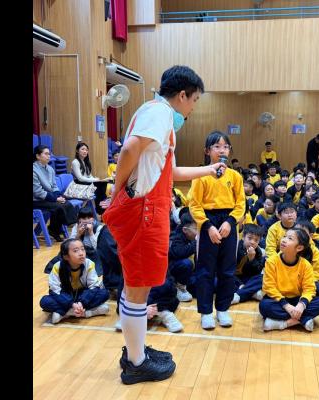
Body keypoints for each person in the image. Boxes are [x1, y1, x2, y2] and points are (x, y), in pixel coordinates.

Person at [102, 65, 224, 385]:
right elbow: (129, 149)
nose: (193, 108)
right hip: (142, 209)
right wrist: (117, 192)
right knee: (138, 288)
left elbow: (171, 173)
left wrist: (208, 170)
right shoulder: (159, 112)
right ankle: (136, 363)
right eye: (194, 100)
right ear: (182, 95)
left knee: (138, 285)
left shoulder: (161, 119)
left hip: (148, 208)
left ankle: (136, 352)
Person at [188, 131, 245, 330]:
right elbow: (194, 205)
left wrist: (230, 222)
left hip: (229, 221)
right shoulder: (201, 175)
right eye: (217, 146)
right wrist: (207, 226)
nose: (222, 150)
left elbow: (241, 204)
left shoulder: (235, 176)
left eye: (226, 147)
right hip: (208, 222)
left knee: (227, 270)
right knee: (205, 270)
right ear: (207, 151)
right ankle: (206, 312)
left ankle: (222, 309)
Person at [259, 228, 319, 331]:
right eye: (284, 236)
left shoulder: (305, 265)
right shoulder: (271, 262)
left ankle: (284, 323)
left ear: (299, 247)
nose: (284, 240)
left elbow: (309, 289)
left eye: (290, 238)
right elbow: (269, 287)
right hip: (278, 300)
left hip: (297, 299)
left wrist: (301, 305)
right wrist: (286, 306)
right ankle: (303, 319)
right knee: (264, 306)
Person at [39, 238, 110, 324]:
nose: (81, 253)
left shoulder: (89, 264)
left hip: (82, 295)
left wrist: (81, 303)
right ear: (66, 256)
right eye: (76, 251)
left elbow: (94, 286)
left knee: (104, 293)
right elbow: (55, 290)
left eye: (82, 249)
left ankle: (65, 313)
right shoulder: (57, 267)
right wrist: (72, 304)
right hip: (65, 296)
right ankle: (88, 312)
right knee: (44, 301)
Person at [33, 145, 78, 242]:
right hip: (36, 200)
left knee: (66, 203)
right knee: (59, 207)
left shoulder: (50, 169)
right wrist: (55, 199)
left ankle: (55, 229)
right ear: (38, 156)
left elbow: (54, 186)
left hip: (48, 197)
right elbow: (37, 192)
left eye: (49, 154)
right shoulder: (33, 170)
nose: (48, 156)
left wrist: (58, 195)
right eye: (46, 154)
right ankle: (57, 230)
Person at [71, 142, 111, 214]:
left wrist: (98, 180)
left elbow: (89, 176)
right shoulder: (75, 162)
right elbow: (80, 178)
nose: (85, 151)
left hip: (85, 183)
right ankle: (100, 210)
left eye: (86, 150)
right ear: (77, 151)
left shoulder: (86, 162)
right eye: (82, 149)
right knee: (99, 186)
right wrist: (95, 180)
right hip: (78, 185)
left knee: (103, 184)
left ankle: (101, 209)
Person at [231, 224, 266, 304]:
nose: (252, 242)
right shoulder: (235, 247)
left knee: (264, 277)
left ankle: (238, 295)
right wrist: (240, 285)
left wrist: (252, 259)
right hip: (234, 277)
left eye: (256, 240)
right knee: (222, 278)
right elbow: (228, 269)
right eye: (249, 238)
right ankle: (251, 293)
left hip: (246, 278)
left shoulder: (258, 252)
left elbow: (256, 272)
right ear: (243, 237)